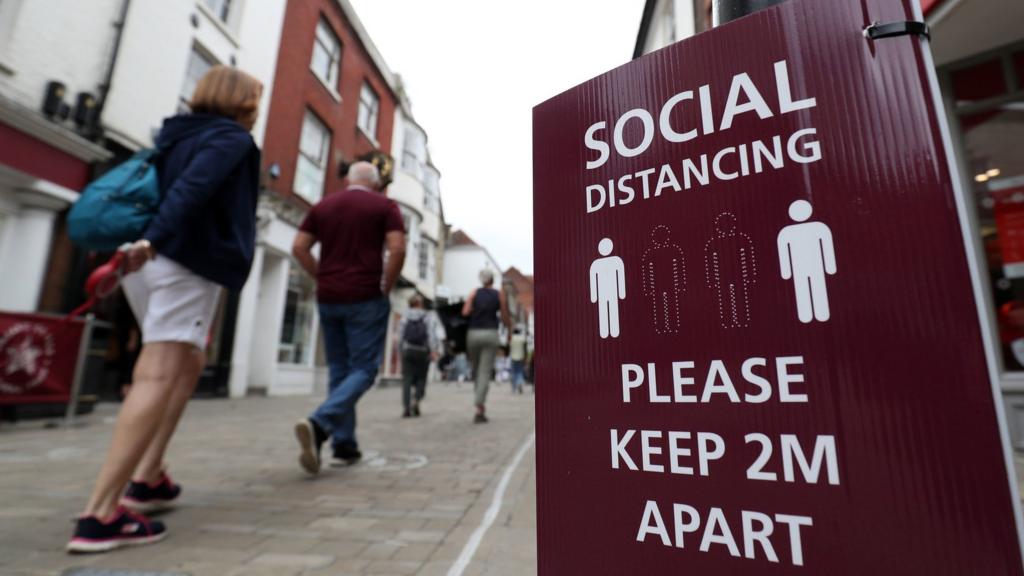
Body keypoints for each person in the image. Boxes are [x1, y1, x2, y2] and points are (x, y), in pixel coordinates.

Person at [67, 66, 263, 553]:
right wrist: (153, 239)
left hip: (149, 264)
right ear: (242, 103)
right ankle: (100, 514)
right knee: (157, 372)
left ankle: (149, 476)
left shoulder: (174, 135)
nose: (257, 109)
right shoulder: (230, 140)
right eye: (255, 100)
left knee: (188, 359)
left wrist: (147, 243)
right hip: (181, 260)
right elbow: (192, 190)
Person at [292, 161, 406, 474]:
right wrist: (387, 285)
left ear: (348, 181)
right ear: (374, 182)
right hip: (365, 295)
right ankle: (319, 423)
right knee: (365, 369)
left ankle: (344, 445)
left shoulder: (323, 206)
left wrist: (322, 277)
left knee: (340, 370)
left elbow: (299, 248)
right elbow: (397, 249)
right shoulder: (385, 206)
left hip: (329, 297)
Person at [462, 269, 511, 423]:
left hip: (473, 333)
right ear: (492, 280)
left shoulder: (474, 293)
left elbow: (465, 311)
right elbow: (504, 316)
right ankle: (479, 406)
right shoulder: (498, 294)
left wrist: (476, 310)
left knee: (477, 370)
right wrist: (508, 329)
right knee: (484, 371)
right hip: (490, 333)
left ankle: (479, 402)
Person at [398, 294, 441, 418]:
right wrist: (433, 350)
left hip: (407, 350)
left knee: (407, 379)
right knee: (422, 378)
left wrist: (400, 351)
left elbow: (400, 336)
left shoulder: (404, 316)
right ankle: (416, 400)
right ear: (420, 303)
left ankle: (406, 408)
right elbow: (431, 334)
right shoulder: (427, 316)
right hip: (422, 351)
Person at [509, 327, 527, 394]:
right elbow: (524, 347)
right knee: (520, 371)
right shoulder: (522, 338)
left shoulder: (512, 338)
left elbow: (509, 346)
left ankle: (513, 388)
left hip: (513, 357)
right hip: (520, 357)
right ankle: (519, 382)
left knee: (514, 372)